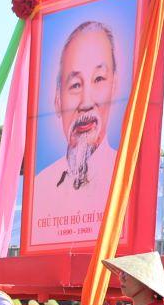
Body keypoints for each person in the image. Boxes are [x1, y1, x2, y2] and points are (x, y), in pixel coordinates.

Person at [32, 21, 120, 243]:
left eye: (98, 79)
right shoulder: (40, 187)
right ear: (57, 99)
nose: (86, 103)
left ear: (115, 88)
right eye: (75, 85)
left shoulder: (127, 178)